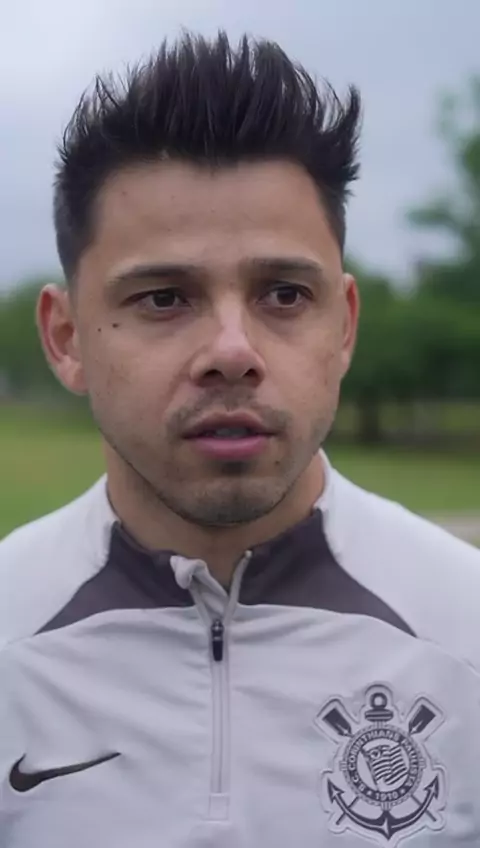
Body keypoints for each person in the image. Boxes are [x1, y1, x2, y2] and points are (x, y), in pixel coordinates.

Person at [1, 31, 480, 848]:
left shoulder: (463, 628)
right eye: (163, 298)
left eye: (284, 294)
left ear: (344, 327)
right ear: (66, 337)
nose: (232, 351)